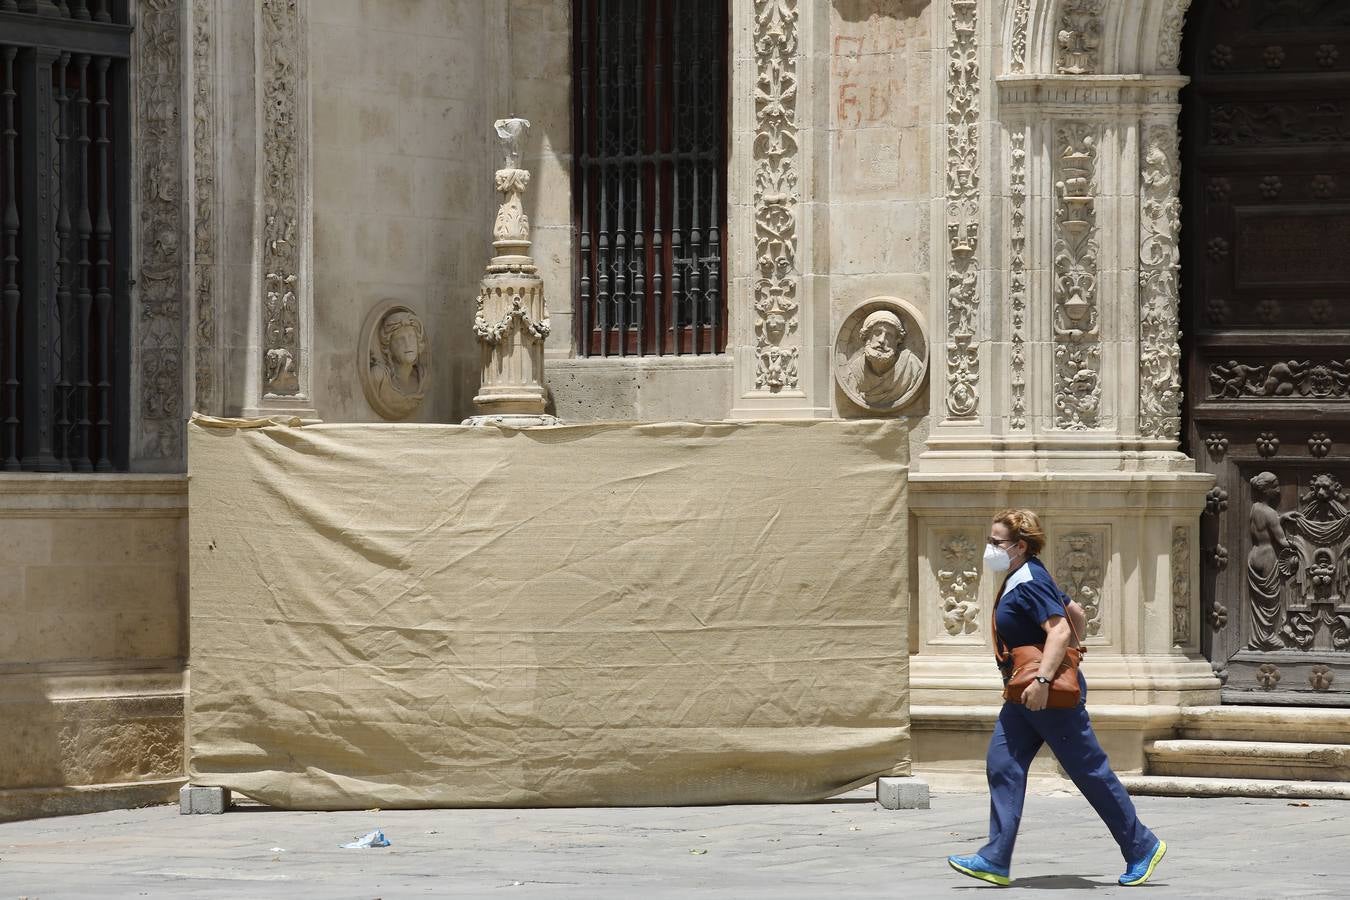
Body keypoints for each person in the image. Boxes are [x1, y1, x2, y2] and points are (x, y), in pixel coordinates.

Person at [947, 509, 1166, 888]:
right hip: (1024, 692)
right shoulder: (1025, 574)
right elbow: (1076, 613)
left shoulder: (1028, 579)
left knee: (1089, 772)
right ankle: (995, 859)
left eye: (995, 542)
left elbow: (1062, 628)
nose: (989, 548)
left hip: (1045, 694)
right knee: (1003, 764)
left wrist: (1047, 676)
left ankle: (1142, 845)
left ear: (1019, 546)